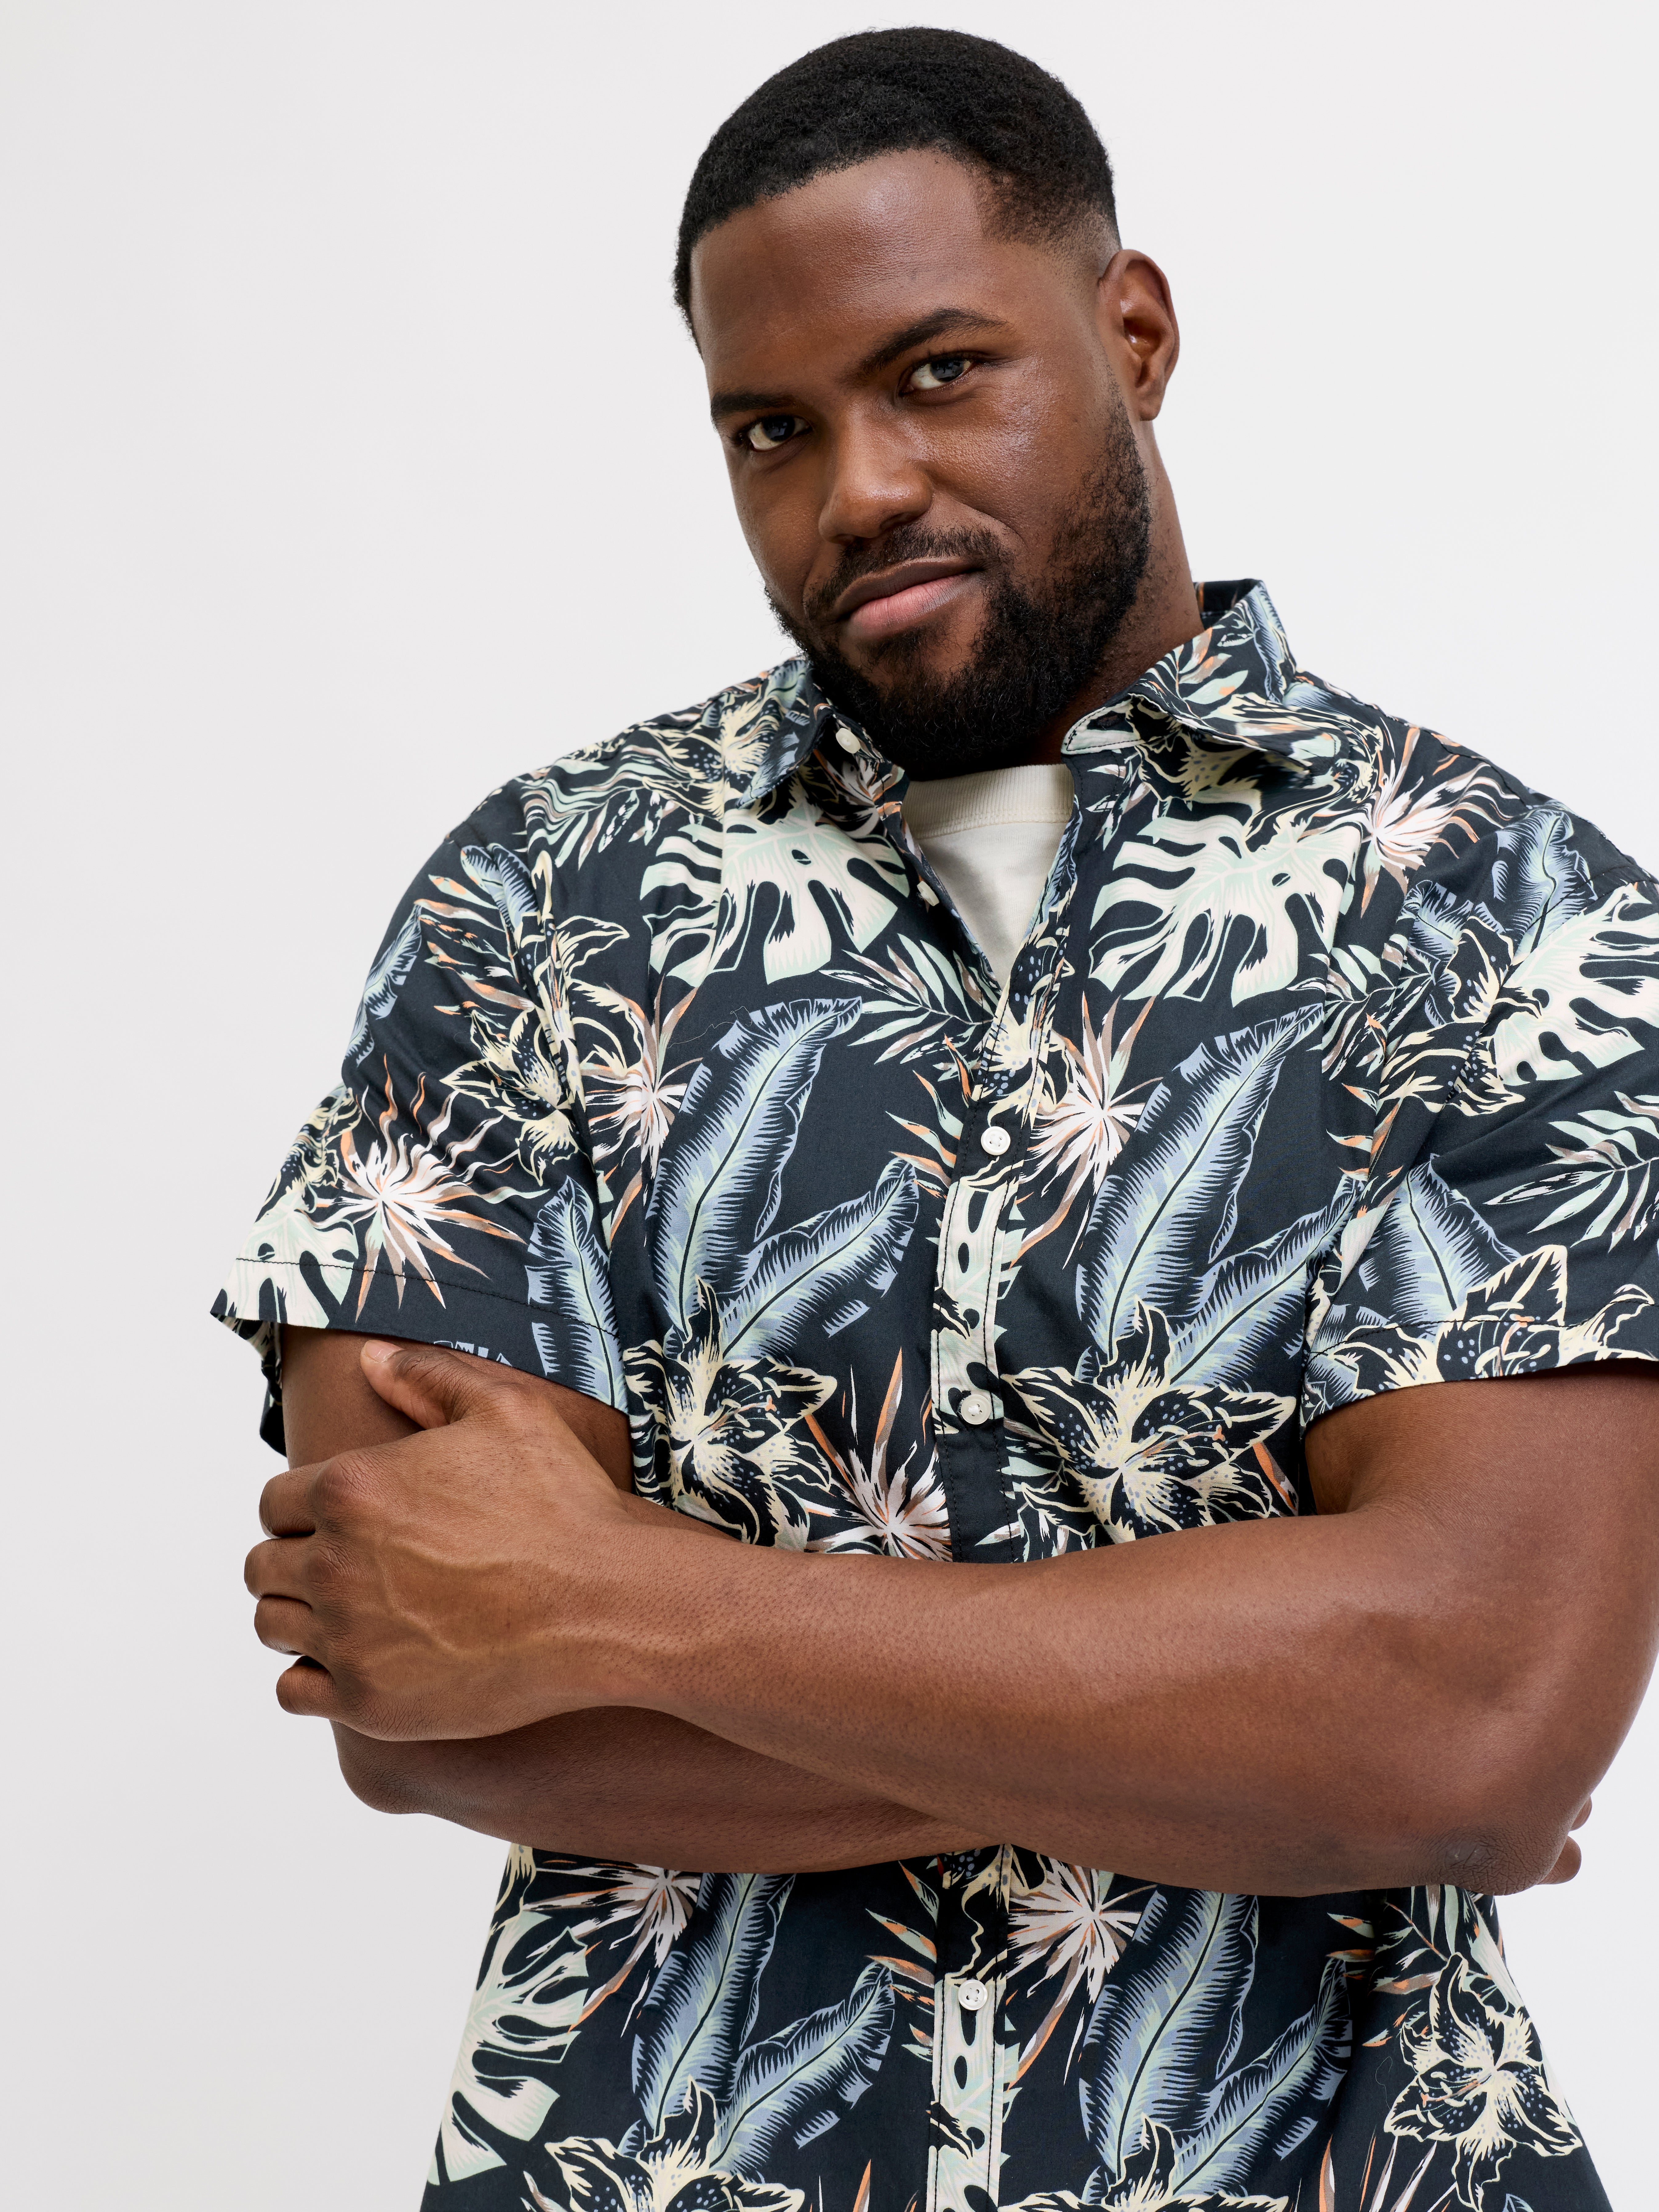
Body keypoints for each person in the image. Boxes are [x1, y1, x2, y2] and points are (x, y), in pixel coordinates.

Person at [218, 30, 1659, 2212]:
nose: (860, 488)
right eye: (770, 429)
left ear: (1132, 334)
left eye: (938, 373)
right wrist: (1286, 1743)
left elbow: (1464, 1727)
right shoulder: (538, 904)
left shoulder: (1514, 921)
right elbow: (425, 1691)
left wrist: (617, 1597)